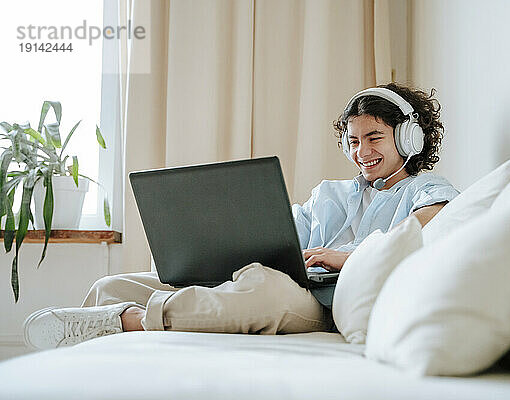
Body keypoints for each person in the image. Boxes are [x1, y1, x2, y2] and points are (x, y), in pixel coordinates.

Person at [23, 83, 459, 349]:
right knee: (113, 283)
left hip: (325, 302)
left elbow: (424, 232)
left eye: (375, 137)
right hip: (280, 276)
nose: (362, 152)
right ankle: (92, 331)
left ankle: (129, 321)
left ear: (409, 136)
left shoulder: (425, 190)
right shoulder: (332, 193)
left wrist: (342, 258)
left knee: (263, 289)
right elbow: (281, 232)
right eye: (353, 140)